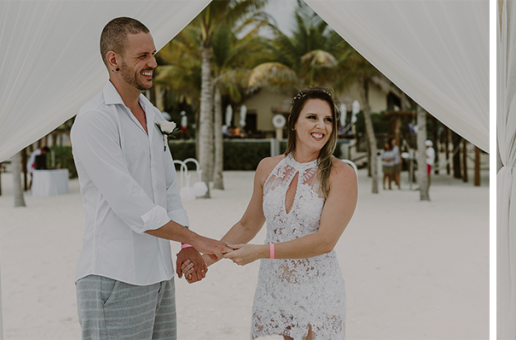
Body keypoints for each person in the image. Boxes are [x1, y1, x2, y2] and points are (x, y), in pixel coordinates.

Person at [71, 17, 231, 340]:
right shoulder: (93, 121)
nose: (153, 63)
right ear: (113, 60)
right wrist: (199, 239)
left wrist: (186, 245)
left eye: (153, 54)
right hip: (115, 277)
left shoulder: (155, 116)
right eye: (142, 56)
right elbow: (132, 204)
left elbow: (168, 188)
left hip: (159, 277)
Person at [184, 88, 358, 340]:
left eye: (328, 119)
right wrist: (207, 260)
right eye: (312, 117)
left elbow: (325, 241)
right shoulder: (267, 168)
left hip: (317, 292)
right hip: (272, 289)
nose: (322, 125)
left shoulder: (341, 175)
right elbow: (246, 225)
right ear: (293, 122)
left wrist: (261, 252)